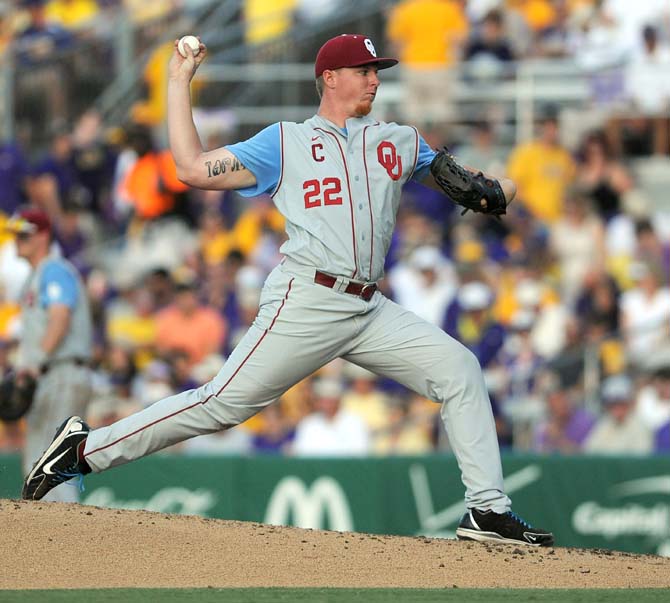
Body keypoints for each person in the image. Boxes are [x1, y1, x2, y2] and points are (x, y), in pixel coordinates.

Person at [23, 33, 554, 547]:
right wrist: (178, 80)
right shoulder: (285, 142)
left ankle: (488, 509)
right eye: (364, 71)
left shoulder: (400, 141)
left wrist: (494, 192)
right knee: (220, 405)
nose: (374, 80)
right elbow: (190, 169)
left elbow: (482, 188)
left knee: (459, 369)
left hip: (369, 308)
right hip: (307, 298)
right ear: (329, 78)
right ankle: (83, 450)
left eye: (377, 71)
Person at [6, 207, 92, 502]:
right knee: (39, 464)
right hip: (49, 374)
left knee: (54, 464)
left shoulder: (54, 269)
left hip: (62, 371)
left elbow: (60, 317)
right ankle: (49, 542)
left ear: (43, 235)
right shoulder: (37, 275)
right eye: (16, 234)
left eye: (25, 234)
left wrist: (35, 362)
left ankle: (65, 541)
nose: (19, 240)